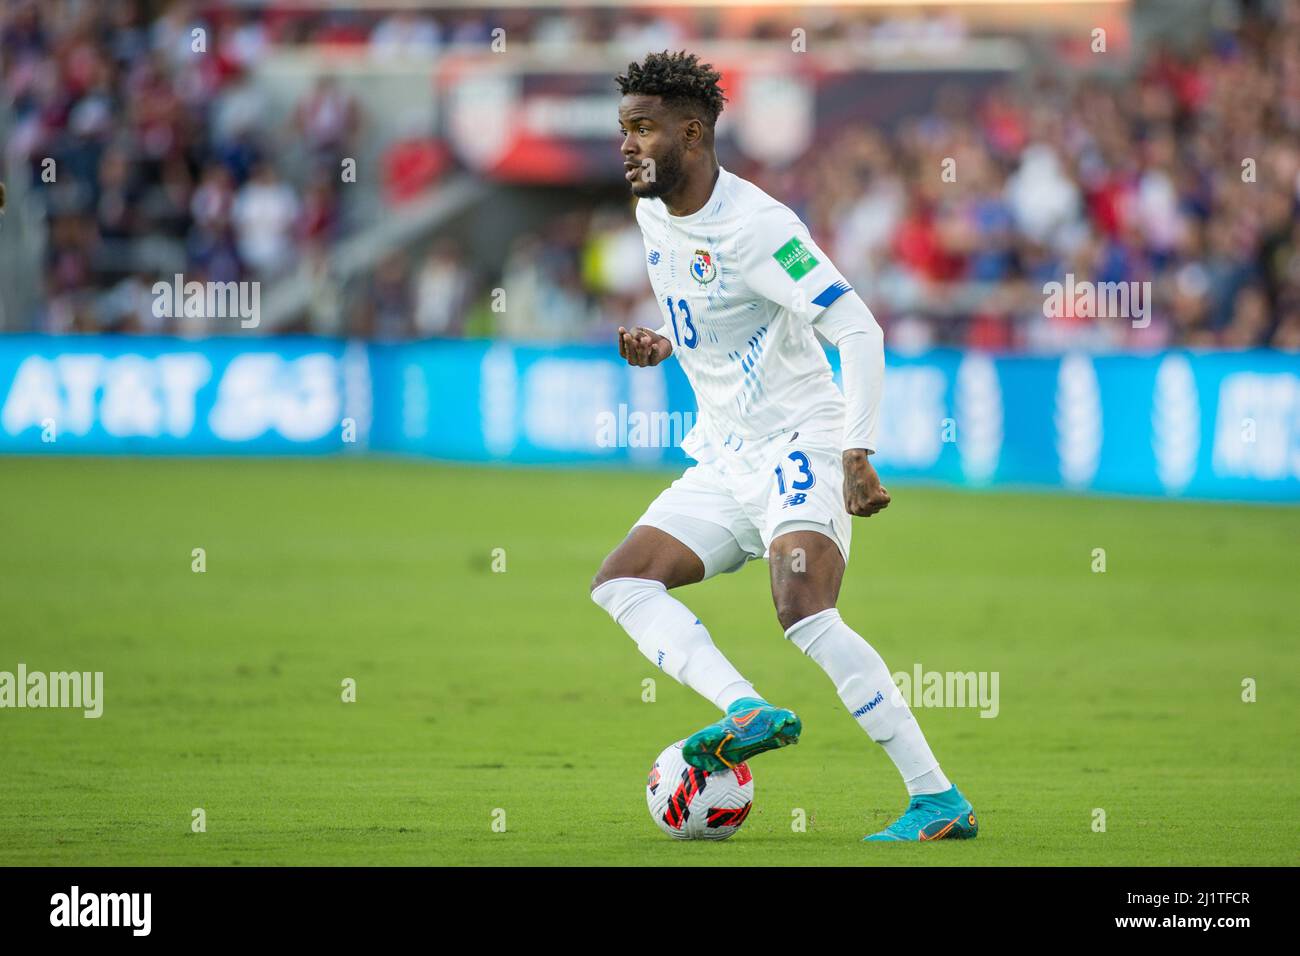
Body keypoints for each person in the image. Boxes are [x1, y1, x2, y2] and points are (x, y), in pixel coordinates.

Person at [590, 51, 977, 842]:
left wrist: (858, 452)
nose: (626, 144)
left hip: (803, 441)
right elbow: (716, 311)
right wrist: (669, 344)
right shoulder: (653, 209)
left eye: (642, 128)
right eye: (623, 128)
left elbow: (858, 327)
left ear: (692, 132)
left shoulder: (761, 227)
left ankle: (938, 801)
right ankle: (744, 708)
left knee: (801, 605)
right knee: (622, 582)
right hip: (726, 454)